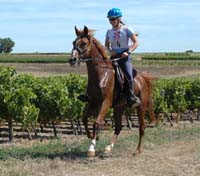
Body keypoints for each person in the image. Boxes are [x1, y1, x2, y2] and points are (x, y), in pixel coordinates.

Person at [105, 8, 141, 107]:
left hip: (124, 57)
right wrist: (110, 51)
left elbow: (136, 42)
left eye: (113, 19)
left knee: (128, 75)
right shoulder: (109, 31)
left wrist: (128, 52)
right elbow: (106, 45)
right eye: (110, 19)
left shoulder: (127, 29)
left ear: (119, 18)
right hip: (113, 57)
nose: (111, 21)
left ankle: (131, 97)